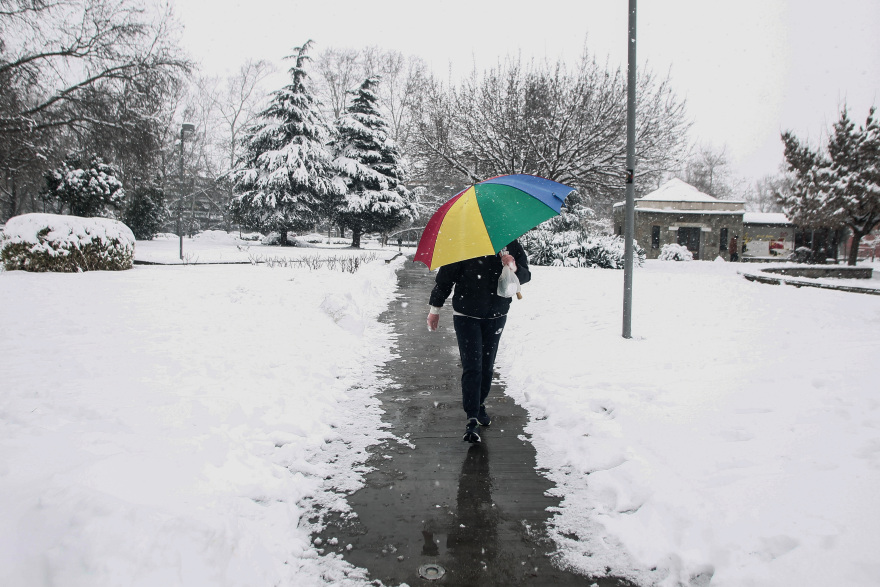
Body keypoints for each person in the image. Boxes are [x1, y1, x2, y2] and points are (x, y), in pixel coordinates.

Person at [426, 239, 531, 443]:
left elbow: (526, 276)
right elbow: (445, 280)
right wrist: (434, 310)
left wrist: (513, 266)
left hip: (497, 314)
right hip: (466, 315)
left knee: (487, 366)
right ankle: (472, 417)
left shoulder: (509, 242)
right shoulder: (463, 241)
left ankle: (479, 404)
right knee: (473, 366)